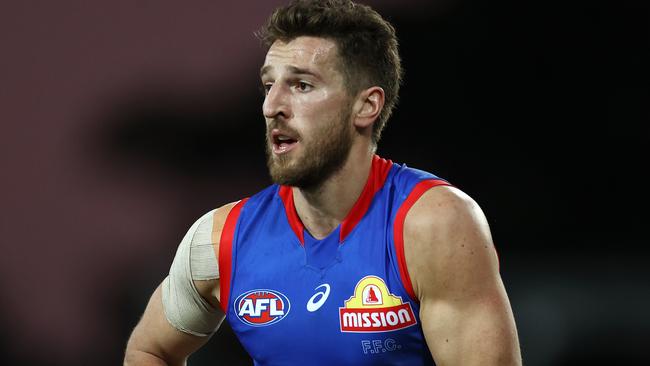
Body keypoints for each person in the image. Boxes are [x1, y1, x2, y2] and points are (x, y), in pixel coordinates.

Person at [124, 0, 522, 365]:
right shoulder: (219, 239)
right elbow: (150, 350)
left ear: (366, 106)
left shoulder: (434, 224)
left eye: (301, 85)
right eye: (268, 85)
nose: (271, 106)